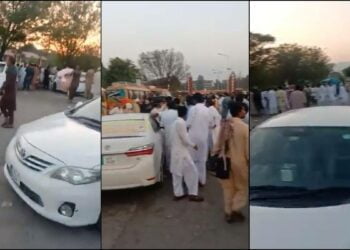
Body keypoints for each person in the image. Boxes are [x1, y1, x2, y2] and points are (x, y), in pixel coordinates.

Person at [213, 102, 248, 223]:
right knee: (242, 188)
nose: (244, 112)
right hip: (239, 162)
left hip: (224, 162)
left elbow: (217, 143)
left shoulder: (225, 125)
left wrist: (214, 155)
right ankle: (235, 208)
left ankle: (228, 212)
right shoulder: (244, 128)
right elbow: (248, 150)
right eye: (243, 110)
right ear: (239, 111)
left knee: (228, 188)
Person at [170, 106, 203, 202]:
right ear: (185, 114)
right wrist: (193, 145)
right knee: (192, 172)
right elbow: (185, 139)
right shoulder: (181, 123)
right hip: (182, 152)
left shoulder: (175, 122)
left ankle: (178, 194)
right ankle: (193, 194)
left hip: (175, 151)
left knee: (176, 174)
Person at [187, 93, 213, 187]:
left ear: (194, 100)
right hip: (203, 138)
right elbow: (211, 124)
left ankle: (193, 180)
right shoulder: (208, 110)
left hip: (193, 138)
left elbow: (188, 123)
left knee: (193, 160)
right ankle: (202, 181)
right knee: (202, 160)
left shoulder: (193, 109)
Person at [160, 100, 179, 172]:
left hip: (166, 133)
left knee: (167, 151)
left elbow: (161, 125)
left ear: (167, 106)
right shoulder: (176, 112)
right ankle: (176, 165)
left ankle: (168, 167)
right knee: (175, 149)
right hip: (176, 133)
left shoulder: (162, 113)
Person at [0, 55, 17, 128]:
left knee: (9, 107)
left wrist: (2, 88)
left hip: (9, 91)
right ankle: (7, 119)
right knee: (3, 105)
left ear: (10, 61)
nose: (6, 61)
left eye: (7, 60)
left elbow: (8, 81)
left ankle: (10, 123)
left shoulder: (11, 70)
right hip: (10, 90)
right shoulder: (11, 68)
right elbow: (7, 81)